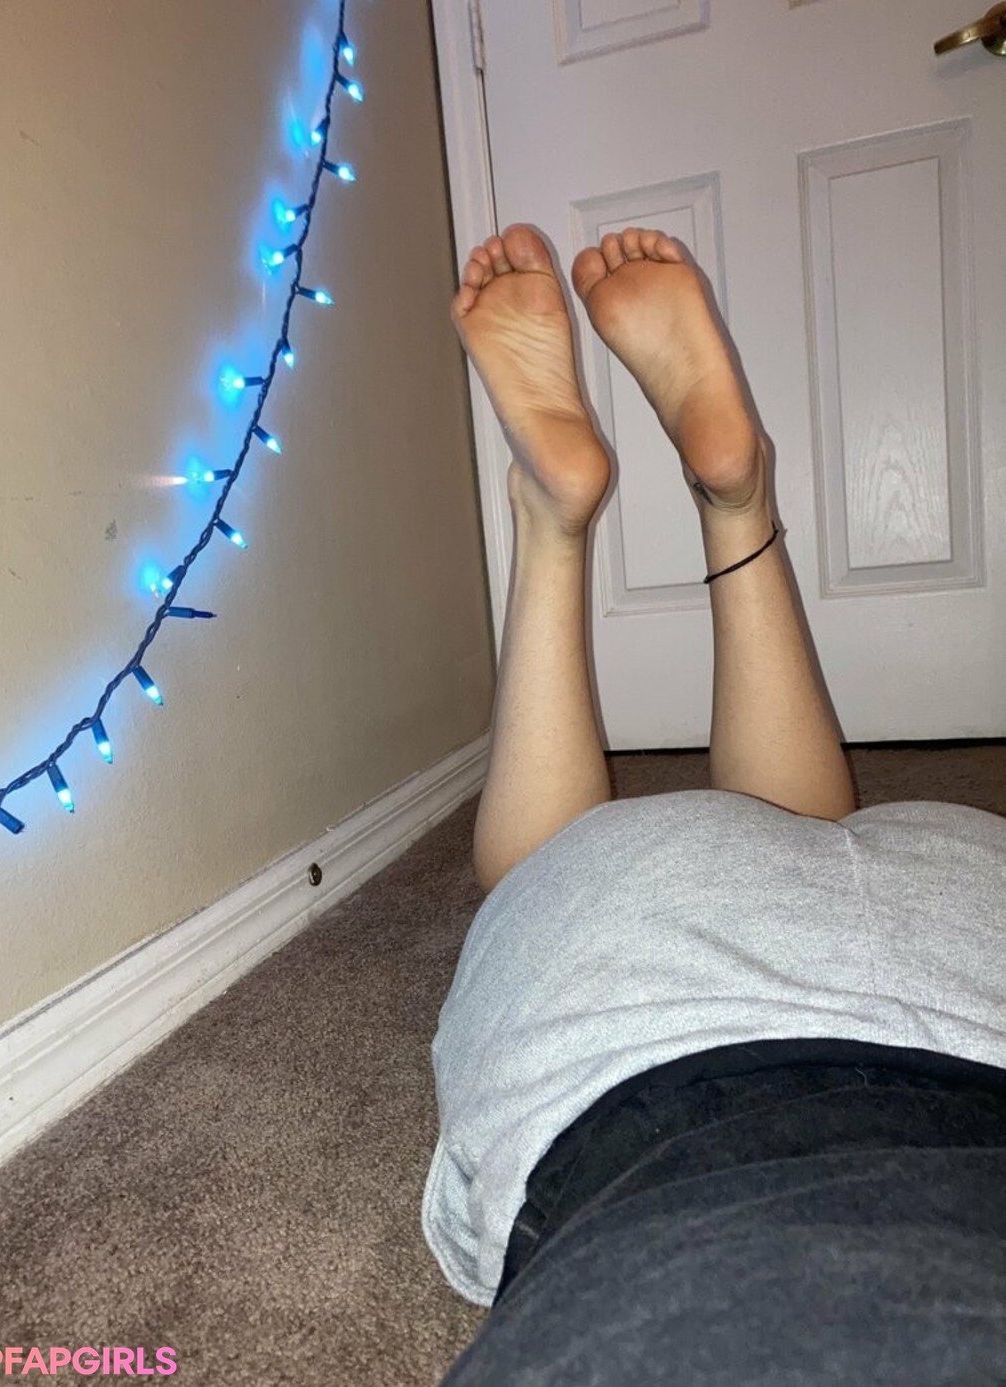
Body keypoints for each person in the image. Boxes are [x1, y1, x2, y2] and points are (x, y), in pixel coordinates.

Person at [422, 225, 1006, 1384]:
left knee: (639, 866)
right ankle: (656, 507)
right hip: (669, 1031)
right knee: (559, 876)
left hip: (958, 945)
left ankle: (612, 510)